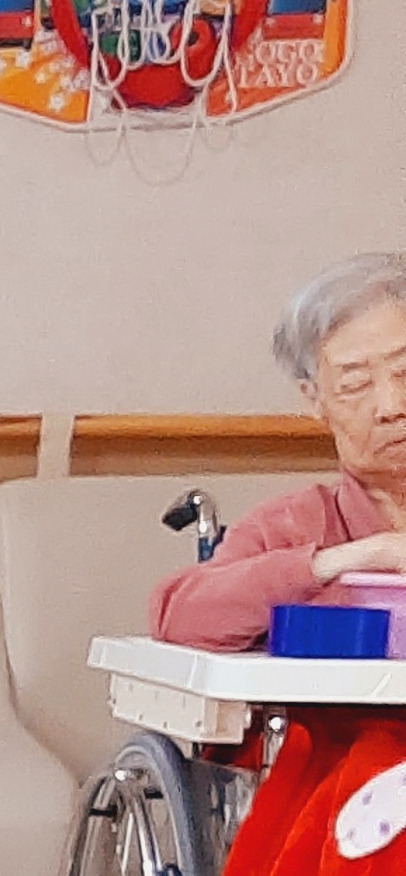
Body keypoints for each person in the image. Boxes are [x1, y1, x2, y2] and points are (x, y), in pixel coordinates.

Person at [151, 254, 406, 648]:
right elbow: (180, 616)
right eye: (355, 385)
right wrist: (353, 558)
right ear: (315, 400)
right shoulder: (291, 526)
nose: (391, 406)